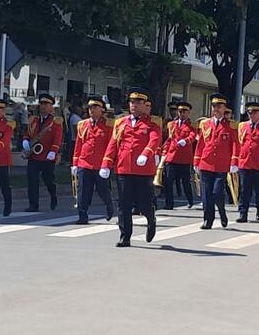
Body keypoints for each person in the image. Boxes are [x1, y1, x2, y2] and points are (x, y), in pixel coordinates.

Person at [100, 88, 161, 247]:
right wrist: (106, 163)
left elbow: (154, 140)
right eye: (132, 102)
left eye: (138, 102)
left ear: (145, 105)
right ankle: (125, 236)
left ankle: (151, 218)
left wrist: (146, 154)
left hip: (143, 170)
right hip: (124, 168)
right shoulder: (120, 123)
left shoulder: (152, 124)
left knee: (143, 203)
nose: (134, 105)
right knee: (124, 204)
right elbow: (113, 144)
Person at [194, 93, 239, 230]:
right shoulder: (205, 124)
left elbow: (235, 144)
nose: (216, 109)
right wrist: (196, 160)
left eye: (219, 106)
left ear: (224, 108)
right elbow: (201, 143)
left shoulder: (231, 125)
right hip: (206, 162)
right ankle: (208, 220)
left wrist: (234, 161)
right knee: (206, 194)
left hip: (221, 164)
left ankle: (222, 212)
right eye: (214, 106)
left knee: (217, 192)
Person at [71, 95, 114, 224]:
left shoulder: (109, 125)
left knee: (102, 189)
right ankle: (82, 215)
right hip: (84, 162)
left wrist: (108, 163)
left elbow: (111, 146)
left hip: (101, 164)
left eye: (95, 107)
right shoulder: (82, 124)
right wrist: (75, 163)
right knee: (83, 191)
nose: (92, 109)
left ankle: (109, 205)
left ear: (102, 109)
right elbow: (78, 145)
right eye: (90, 107)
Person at [22, 93, 63, 212]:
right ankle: (33, 205)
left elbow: (58, 138)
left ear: (51, 107)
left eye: (46, 104)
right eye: (42, 104)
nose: (43, 106)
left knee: (48, 180)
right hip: (34, 156)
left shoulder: (55, 122)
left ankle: (53, 195)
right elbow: (28, 133)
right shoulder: (33, 120)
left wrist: (53, 151)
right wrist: (25, 141)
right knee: (32, 180)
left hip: (47, 156)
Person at [161, 101, 196, 210]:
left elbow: (193, 136)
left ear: (189, 113)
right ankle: (169, 203)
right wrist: (164, 153)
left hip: (184, 158)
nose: (182, 113)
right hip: (171, 156)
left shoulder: (192, 125)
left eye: (184, 111)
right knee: (168, 181)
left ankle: (190, 200)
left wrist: (186, 140)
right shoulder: (172, 124)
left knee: (185, 181)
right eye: (180, 111)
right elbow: (169, 139)